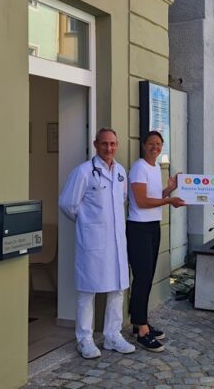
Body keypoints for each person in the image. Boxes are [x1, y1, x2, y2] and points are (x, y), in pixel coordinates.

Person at [58, 127, 136, 359]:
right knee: (87, 291)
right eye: (104, 144)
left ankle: (112, 335)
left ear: (117, 144)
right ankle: (84, 339)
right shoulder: (83, 172)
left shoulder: (120, 171)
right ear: (95, 144)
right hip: (93, 241)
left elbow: (120, 200)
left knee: (117, 289)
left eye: (113, 144)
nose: (109, 148)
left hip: (116, 241)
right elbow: (67, 204)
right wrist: (87, 222)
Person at [127, 130, 185, 352]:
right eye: (151, 143)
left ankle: (139, 321)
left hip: (152, 226)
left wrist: (168, 190)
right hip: (139, 227)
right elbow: (141, 201)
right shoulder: (139, 167)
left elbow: (153, 196)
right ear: (143, 145)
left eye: (159, 144)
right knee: (142, 277)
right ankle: (141, 329)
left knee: (147, 277)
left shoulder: (154, 168)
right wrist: (169, 199)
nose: (155, 147)